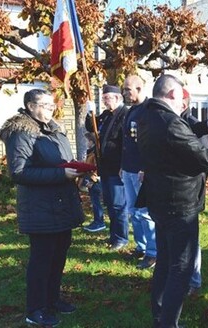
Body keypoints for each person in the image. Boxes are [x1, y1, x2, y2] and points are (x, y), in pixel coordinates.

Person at [137, 74, 208, 328]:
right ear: (174, 95)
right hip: (178, 204)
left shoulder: (148, 116)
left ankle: (160, 317)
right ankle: (168, 323)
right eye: (181, 95)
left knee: (165, 261)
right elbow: (203, 159)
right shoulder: (168, 122)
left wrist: (205, 126)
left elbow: (180, 135)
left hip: (160, 200)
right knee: (181, 267)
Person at [0, 89, 85, 326]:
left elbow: (60, 161)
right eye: (44, 104)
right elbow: (19, 172)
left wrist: (75, 171)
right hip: (40, 208)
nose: (50, 108)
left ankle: (52, 299)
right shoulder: (22, 132)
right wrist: (61, 174)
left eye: (52, 104)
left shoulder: (53, 130)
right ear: (29, 106)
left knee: (58, 256)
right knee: (42, 259)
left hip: (61, 204)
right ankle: (35, 309)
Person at [180, 88, 208, 296]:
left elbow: (202, 160)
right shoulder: (176, 121)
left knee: (191, 240)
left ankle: (194, 280)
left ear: (184, 103)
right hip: (180, 191)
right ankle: (185, 278)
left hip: (190, 190)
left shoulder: (190, 123)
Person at [85, 85, 128, 251]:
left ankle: (121, 238)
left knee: (118, 205)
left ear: (117, 98)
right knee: (110, 203)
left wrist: (124, 165)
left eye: (107, 98)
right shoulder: (106, 115)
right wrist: (90, 113)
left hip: (117, 167)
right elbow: (91, 127)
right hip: (104, 167)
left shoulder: (124, 114)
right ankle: (114, 235)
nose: (104, 102)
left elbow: (126, 143)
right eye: (103, 99)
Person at [121, 75, 157, 268]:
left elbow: (150, 142)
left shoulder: (148, 110)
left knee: (145, 213)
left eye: (128, 89)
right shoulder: (131, 110)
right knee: (133, 212)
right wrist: (122, 165)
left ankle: (153, 252)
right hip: (128, 168)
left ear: (140, 88)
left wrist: (146, 166)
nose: (125, 93)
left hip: (141, 170)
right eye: (124, 89)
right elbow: (127, 141)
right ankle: (141, 246)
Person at [77, 132, 104, 229]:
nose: (85, 143)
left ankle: (99, 221)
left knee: (96, 201)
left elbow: (96, 168)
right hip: (90, 179)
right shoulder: (90, 152)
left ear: (91, 141)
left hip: (94, 180)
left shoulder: (95, 153)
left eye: (87, 141)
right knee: (94, 201)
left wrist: (93, 181)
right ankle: (97, 220)